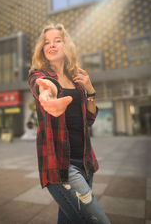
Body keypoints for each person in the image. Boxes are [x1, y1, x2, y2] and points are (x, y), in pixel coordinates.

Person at [28, 23, 110, 224]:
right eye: (47, 42)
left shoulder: (76, 78)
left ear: (67, 46)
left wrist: (90, 90)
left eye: (57, 40)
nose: (51, 45)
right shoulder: (38, 76)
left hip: (84, 162)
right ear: (42, 49)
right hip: (61, 166)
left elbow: (88, 120)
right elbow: (45, 88)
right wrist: (48, 95)